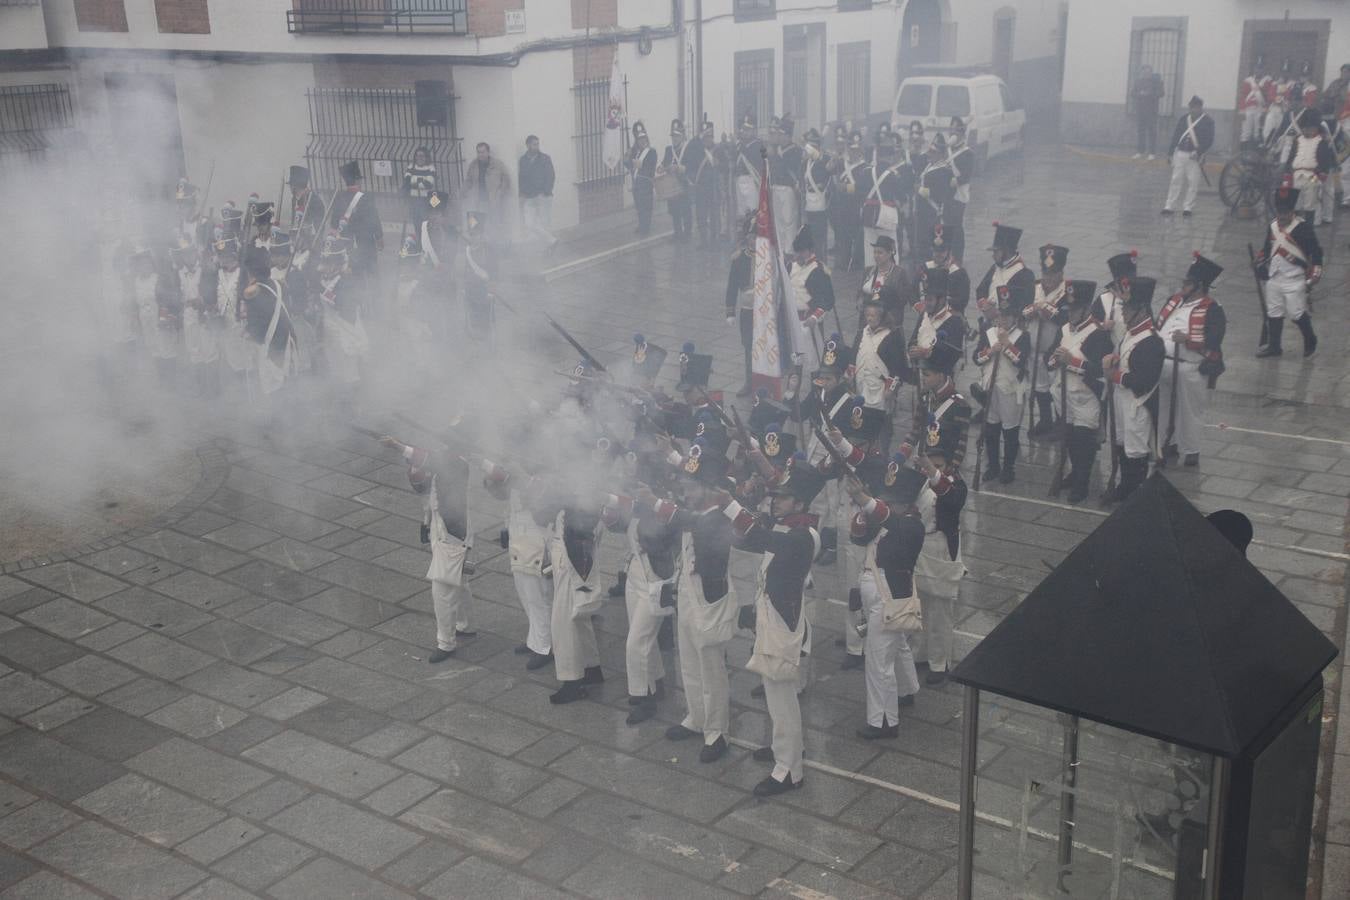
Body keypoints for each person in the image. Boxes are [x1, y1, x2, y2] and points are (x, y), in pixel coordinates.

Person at [723, 462, 826, 796]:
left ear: (800, 504)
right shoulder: (786, 527)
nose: (775, 502)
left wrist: (729, 504)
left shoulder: (803, 535)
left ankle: (789, 769)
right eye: (776, 497)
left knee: (783, 700)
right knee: (774, 694)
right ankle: (786, 748)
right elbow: (752, 538)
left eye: (784, 499)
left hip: (783, 624)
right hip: (772, 619)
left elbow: (758, 536)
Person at [648, 440, 738, 764]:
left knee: (712, 669)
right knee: (688, 660)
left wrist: (656, 504)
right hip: (687, 592)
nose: (685, 489)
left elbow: (695, 525)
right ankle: (696, 717)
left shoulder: (717, 516)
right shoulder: (696, 512)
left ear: (707, 487)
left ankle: (717, 731)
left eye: (690, 484)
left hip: (708, 599)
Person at [902, 342, 969, 685]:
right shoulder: (927, 398)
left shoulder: (958, 407)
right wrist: (906, 450)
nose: (922, 377)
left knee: (941, 605)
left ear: (942, 373)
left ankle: (941, 662)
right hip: (928, 471)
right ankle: (924, 653)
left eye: (927, 373)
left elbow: (957, 449)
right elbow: (918, 430)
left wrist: (943, 473)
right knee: (924, 600)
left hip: (941, 478)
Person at [845, 461, 926, 739]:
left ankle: (883, 721)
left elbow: (887, 518)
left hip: (888, 597)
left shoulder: (912, 526)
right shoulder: (888, 519)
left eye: (889, 500)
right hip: (879, 594)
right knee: (898, 646)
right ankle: (907, 691)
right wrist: (863, 506)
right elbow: (856, 536)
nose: (884, 504)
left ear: (903, 503)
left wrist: (864, 499)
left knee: (878, 662)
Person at [384, 435, 479, 664]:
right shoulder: (453, 460)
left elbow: (431, 461)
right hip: (443, 529)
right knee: (461, 582)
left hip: (451, 534)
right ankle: (465, 625)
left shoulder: (457, 463)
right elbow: (424, 486)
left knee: (442, 592)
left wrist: (398, 447)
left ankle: (446, 643)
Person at [1156, 253, 1226, 469]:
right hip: (1164, 362)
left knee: (1190, 410)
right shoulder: (1174, 300)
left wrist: (1188, 340)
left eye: (1188, 283)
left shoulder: (1213, 309)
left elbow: (1214, 340)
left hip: (1190, 366)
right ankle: (1167, 443)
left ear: (1199, 286)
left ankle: (1191, 449)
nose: (1183, 286)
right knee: (1163, 407)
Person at [1047, 280, 1113, 503]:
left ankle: (1082, 484)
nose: (1070, 314)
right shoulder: (1064, 329)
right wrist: (1055, 360)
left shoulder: (1098, 334)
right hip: (1064, 394)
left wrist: (1072, 361)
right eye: (1068, 309)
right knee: (1070, 440)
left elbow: (1100, 371)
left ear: (1086, 309)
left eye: (1075, 310)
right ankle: (1075, 474)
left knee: (1084, 443)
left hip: (1086, 397)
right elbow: (1050, 357)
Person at [1102, 276, 1164, 503]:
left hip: (1137, 403)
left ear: (1141, 311)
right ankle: (1124, 485)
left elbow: (1144, 380)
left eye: (1127, 309)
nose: (1124, 314)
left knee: (1135, 449)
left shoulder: (1151, 341)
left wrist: (1115, 375)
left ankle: (1134, 490)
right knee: (1120, 443)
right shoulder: (1131, 333)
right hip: (1121, 398)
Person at [972, 287, 1031, 485]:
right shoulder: (988, 333)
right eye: (1001, 316)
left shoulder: (1023, 336)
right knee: (991, 428)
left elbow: (1020, 361)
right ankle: (993, 465)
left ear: (1014, 318)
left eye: (1007, 317)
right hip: (991, 387)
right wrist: (989, 352)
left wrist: (1007, 346)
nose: (1003, 320)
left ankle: (1008, 467)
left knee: (1010, 430)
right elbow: (976, 358)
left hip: (1011, 389)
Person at [1256, 182, 1321, 359]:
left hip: (1295, 278)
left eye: (1285, 212)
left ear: (1292, 211)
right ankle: (1275, 346)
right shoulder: (1273, 226)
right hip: (1274, 277)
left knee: (1297, 313)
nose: (1282, 215)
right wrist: (1260, 262)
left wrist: (1314, 275)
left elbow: (1316, 252)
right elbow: (1267, 248)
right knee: (1274, 312)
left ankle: (1310, 341)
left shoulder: (1303, 227)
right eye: (1279, 212)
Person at [1024, 244, 1071, 438]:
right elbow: (1020, 309)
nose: (1048, 279)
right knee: (1039, 388)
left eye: (1052, 275)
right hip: (1033, 348)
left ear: (1061, 273)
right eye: (1045, 274)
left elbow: (1066, 318)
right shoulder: (1034, 287)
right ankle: (1045, 420)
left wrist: (1047, 311)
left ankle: (1061, 423)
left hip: (1054, 349)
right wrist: (1033, 310)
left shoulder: (1068, 292)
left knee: (1056, 389)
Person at [329, 161, 384, 310]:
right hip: (365, 244)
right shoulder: (366, 198)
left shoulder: (339, 197)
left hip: (347, 245)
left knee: (353, 274)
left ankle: (356, 304)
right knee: (372, 274)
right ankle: (375, 306)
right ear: (358, 180)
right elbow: (374, 219)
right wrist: (379, 238)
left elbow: (334, 224)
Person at [974, 222, 1035, 335]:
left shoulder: (1025, 275)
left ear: (1006, 250)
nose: (993, 255)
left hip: (1010, 330)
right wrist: (985, 305)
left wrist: (997, 313)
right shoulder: (995, 267)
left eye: (996, 251)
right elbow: (981, 290)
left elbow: (1024, 307)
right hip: (989, 325)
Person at [1284, 107, 1337, 225]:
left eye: (1310, 128)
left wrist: (1319, 177)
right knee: (1297, 201)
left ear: (1316, 128)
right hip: (1297, 175)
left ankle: (1310, 223)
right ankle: (1296, 224)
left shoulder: (1321, 142)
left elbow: (1324, 161)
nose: (1307, 131)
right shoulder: (1297, 140)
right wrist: (1287, 173)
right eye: (1305, 128)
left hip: (1312, 176)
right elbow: (1291, 157)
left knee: (1311, 201)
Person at [1161, 96, 1213, 216]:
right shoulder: (1184, 119)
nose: (1193, 110)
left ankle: (1188, 207)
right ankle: (1169, 205)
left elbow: (1209, 140)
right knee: (1175, 180)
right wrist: (1170, 153)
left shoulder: (1208, 121)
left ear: (1200, 108)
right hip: (1180, 153)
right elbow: (1176, 136)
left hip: (1194, 156)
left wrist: (1199, 151)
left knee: (1193, 182)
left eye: (1195, 107)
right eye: (1191, 107)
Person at [724, 213, 756, 397]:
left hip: (765, 311)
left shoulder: (769, 259)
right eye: (751, 238)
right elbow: (732, 287)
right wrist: (730, 312)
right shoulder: (739, 259)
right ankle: (749, 382)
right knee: (748, 346)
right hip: (747, 310)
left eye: (757, 238)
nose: (753, 241)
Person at [827, 131, 866, 271]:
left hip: (855, 208)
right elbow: (828, 170)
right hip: (841, 207)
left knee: (855, 236)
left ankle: (854, 265)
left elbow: (862, 188)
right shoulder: (841, 164)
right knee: (842, 237)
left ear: (860, 150)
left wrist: (846, 188)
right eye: (851, 150)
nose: (853, 153)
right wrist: (834, 160)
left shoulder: (865, 167)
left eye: (856, 150)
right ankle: (842, 264)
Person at [858, 234, 911, 330]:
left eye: (880, 253)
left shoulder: (899, 273)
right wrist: (860, 301)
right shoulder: (868, 271)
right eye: (874, 252)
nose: (876, 256)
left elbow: (902, 300)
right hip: (867, 320)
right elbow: (860, 292)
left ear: (890, 253)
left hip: (888, 322)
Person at [467, 142, 512, 246]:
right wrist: (463, 192)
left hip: (493, 201)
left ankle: (496, 248)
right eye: (478, 152)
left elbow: (506, 179)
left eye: (483, 152)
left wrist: (500, 193)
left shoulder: (497, 164)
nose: (480, 155)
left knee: (494, 225)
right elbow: (468, 180)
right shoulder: (473, 165)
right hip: (478, 202)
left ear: (488, 152)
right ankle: (481, 247)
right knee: (476, 225)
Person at [517, 135, 557, 250]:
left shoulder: (545, 158)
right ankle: (551, 241)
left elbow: (551, 176)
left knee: (545, 222)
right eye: (534, 144)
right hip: (529, 196)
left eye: (538, 144)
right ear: (528, 145)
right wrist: (522, 193)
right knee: (529, 223)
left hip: (543, 195)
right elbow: (521, 178)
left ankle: (547, 247)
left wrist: (546, 191)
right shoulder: (523, 160)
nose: (537, 146)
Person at [1091, 250, 1139, 347]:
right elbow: (1090, 325)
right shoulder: (1103, 299)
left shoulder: (1142, 299)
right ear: (1117, 283)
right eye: (1126, 283)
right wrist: (1103, 327)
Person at [944, 117, 975, 262]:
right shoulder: (947, 150)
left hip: (959, 194)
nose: (952, 132)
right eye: (951, 129)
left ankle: (958, 256)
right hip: (947, 195)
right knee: (947, 223)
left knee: (956, 225)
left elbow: (966, 175)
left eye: (955, 129)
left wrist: (956, 180)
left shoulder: (967, 153)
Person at [925, 224, 971, 322]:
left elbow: (962, 300)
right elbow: (913, 291)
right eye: (936, 251)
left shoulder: (960, 273)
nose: (938, 254)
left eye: (942, 251)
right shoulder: (925, 268)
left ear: (949, 251)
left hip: (950, 317)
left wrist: (942, 302)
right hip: (927, 315)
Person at [660, 119, 696, 243]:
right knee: (674, 210)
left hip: (684, 183)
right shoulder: (668, 150)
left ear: (682, 136)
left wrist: (681, 168)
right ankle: (677, 233)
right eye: (673, 136)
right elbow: (664, 163)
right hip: (672, 184)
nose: (674, 138)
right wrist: (661, 168)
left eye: (677, 136)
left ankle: (687, 233)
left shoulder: (688, 148)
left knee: (685, 209)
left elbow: (692, 166)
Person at [769, 115, 803, 243]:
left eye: (783, 134)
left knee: (789, 221)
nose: (780, 137)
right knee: (778, 221)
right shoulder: (775, 150)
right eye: (779, 134)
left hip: (788, 188)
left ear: (789, 136)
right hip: (776, 187)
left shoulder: (796, 150)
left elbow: (794, 169)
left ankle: (789, 249)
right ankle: (781, 249)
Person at [801, 128, 831, 256]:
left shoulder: (824, 160)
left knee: (820, 237)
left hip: (821, 204)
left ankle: (821, 260)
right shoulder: (806, 163)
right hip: (809, 203)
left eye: (812, 147)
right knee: (811, 236)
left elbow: (826, 166)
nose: (808, 150)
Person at [693, 117, 721, 249]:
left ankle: (715, 241)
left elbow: (725, 167)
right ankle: (704, 241)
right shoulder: (697, 150)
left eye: (709, 137)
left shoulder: (718, 150)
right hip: (701, 188)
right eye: (704, 137)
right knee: (701, 216)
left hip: (714, 188)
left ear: (712, 137)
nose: (707, 140)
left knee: (714, 216)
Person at [402, 146, 437, 249]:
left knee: (425, 224)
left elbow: (429, 184)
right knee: (416, 223)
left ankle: (428, 245)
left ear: (426, 157)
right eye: (417, 156)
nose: (419, 158)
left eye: (421, 156)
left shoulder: (431, 168)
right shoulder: (411, 166)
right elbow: (407, 182)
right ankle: (420, 245)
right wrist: (420, 181)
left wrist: (414, 181)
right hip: (413, 200)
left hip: (425, 200)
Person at [627, 121, 657, 237]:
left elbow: (651, 167)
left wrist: (641, 165)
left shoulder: (651, 152)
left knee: (646, 207)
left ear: (646, 139)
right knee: (639, 206)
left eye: (644, 139)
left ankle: (646, 227)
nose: (642, 141)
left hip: (645, 183)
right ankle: (641, 225)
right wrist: (628, 156)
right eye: (640, 139)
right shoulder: (636, 152)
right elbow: (628, 164)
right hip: (637, 184)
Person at [733, 114, 764, 218]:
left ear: (754, 130)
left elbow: (761, 165)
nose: (745, 132)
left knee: (753, 211)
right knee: (742, 212)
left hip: (753, 181)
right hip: (739, 181)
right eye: (744, 129)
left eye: (748, 130)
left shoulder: (759, 145)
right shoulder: (739, 145)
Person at [1239, 56, 1272, 152]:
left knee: (1257, 132)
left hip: (1260, 108)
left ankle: (1255, 153)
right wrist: (1242, 110)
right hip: (1248, 109)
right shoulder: (1248, 81)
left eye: (1261, 68)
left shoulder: (1267, 80)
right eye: (1257, 68)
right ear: (1254, 68)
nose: (1258, 70)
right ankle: (1243, 154)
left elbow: (1268, 96)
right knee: (1246, 132)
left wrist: (1266, 109)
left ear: (1264, 69)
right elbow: (1243, 96)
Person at [1133, 65, 1165, 160]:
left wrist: (1150, 94)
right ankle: (1140, 151)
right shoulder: (1138, 81)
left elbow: (1162, 93)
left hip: (1152, 110)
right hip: (1140, 110)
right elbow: (1132, 93)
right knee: (1141, 131)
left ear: (1151, 73)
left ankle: (1152, 153)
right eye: (1144, 72)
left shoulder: (1157, 82)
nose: (1146, 74)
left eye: (1148, 72)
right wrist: (1140, 94)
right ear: (1142, 73)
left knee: (1152, 131)